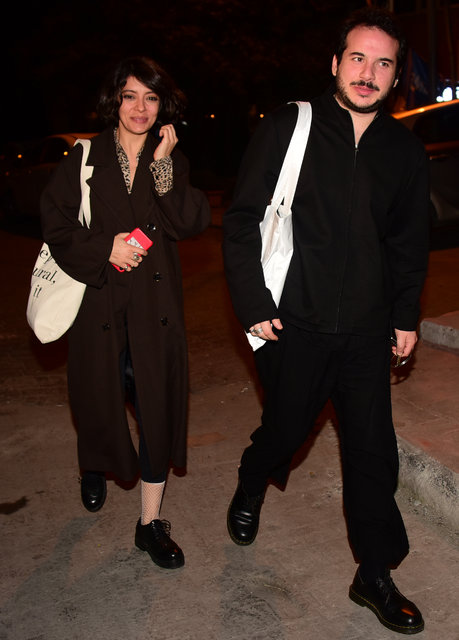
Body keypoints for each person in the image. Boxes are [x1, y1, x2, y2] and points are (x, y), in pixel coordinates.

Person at [223, 8, 429, 635]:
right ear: (336, 62)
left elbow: (408, 242)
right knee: (285, 431)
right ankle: (253, 480)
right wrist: (255, 304)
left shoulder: (403, 149)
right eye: (358, 58)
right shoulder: (290, 126)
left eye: (383, 63)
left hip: (367, 332)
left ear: (395, 76)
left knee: (372, 454)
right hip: (295, 323)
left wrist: (405, 316)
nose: (368, 73)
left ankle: (374, 573)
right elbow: (242, 219)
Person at [41, 56, 210, 569]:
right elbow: (56, 223)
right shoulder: (86, 156)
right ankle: (93, 463)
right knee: (98, 399)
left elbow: (189, 222)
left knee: (157, 409)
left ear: (162, 105)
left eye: (151, 98)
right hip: (101, 302)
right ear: (114, 100)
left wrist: (163, 167)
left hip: (156, 309)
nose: (140, 108)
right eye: (130, 95)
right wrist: (103, 249)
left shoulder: (169, 159)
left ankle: (149, 524)